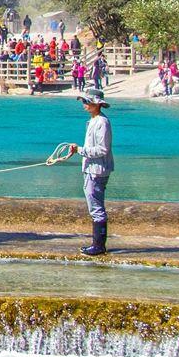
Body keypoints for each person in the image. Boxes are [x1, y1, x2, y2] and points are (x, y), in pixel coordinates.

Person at [69, 87, 114, 255]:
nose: (84, 104)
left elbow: (102, 149)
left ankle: (99, 246)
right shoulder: (94, 121)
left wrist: (81, 150)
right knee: (94, 205)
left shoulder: (102, 122)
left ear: (97, 104)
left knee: (96, 207)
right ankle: (97, 244)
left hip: (96, 170)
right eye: (83, 101)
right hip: (92, 169)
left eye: (86, 101)